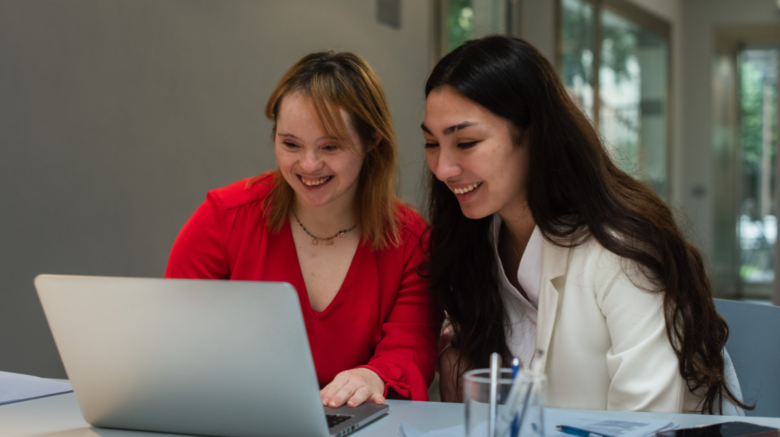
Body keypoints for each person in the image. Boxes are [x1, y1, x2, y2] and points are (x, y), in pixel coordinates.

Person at [421, 36, 747, 413]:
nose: (443, 168)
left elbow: (643, 421)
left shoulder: (621, 250)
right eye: (431, 143)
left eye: (466, 142)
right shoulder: (476, 239)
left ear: (534, 136)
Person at [165, 51, 442, 408]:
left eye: (330, 146)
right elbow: (174, 336)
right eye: (291, 144)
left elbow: (409, 351)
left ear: (372, 140)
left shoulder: (411, 240)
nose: (309, 166)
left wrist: (372, 377)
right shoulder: (223, 217)